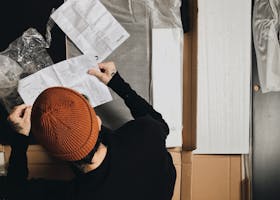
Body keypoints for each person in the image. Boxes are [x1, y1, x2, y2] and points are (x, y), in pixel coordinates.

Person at [2, 62, 176, 200]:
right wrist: (117, 83)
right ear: (98, 121)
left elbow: (14, 193)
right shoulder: (146, 134)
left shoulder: (75, 195)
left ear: (55, 155)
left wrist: (20, 137)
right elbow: (159, 123)